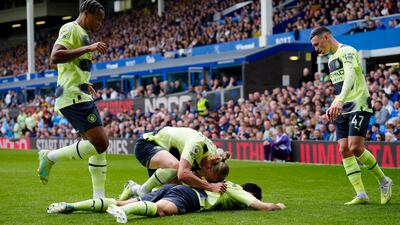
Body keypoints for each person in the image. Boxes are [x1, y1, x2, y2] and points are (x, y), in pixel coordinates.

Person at [310, 26, 392, 205]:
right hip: (342, 107)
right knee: (343, 149)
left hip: (359, 104)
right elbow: (340, 84)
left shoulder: (347, 51)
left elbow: (350, 76)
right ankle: (361, 194)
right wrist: (335, 103)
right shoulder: (331, 59)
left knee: (355, 147)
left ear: (326, 37)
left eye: (317, 44)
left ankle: (384, 181)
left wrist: (339, 99)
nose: (316, 49)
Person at [37, 0, 109, 198]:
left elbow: (61, 65)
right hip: (72, 96)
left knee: (98, 146)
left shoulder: (84, 36)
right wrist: (88, 49)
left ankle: (99, 198)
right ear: (86, 13)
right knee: (101, 143)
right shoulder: (71, 28)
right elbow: (55, 57)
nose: (100, 24)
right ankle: (49, 156)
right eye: (98, 19)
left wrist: (81, 81)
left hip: (79, 92)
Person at [47, 182, 285, 224]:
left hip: (177, 187)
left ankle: (72, 206)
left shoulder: (225, 183)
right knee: (162, 211)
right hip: (191, 198)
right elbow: (261, 207)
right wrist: (277, 206)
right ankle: (125, 212)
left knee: (121, 200)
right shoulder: (237, 191)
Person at [129, 126, 228, 198]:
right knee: (177, 167)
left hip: (169, 153)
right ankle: (143, 190)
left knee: (178, 193)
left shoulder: (214, 157)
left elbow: (194, 177)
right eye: (209, 179)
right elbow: (183, 174)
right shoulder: (196, 146)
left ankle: (134, 188)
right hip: (148, 144)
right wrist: (210, 187)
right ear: (209, 167)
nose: (206, 180)